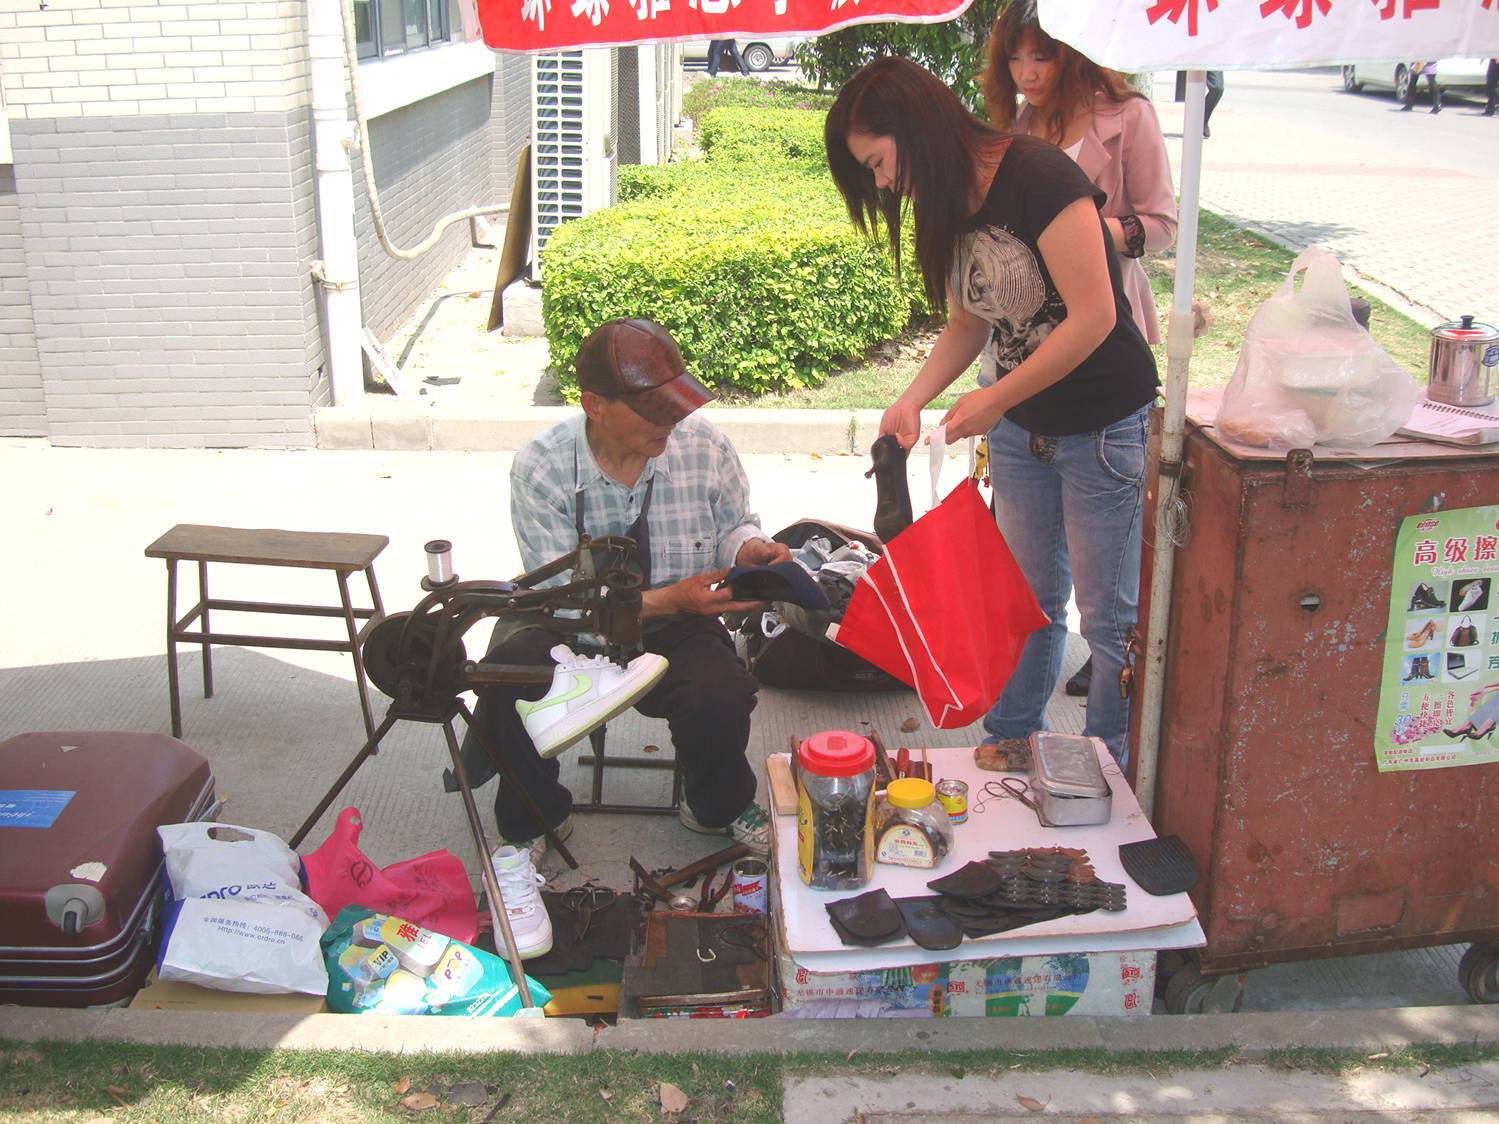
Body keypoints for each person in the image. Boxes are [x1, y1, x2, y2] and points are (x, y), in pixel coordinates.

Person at [824, 56, 1158, 768]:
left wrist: (995, 397)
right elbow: (969, 325)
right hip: (1021, 433)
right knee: (1023, 601)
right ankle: (1011, 737)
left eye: (880, 163)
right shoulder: (948, 200)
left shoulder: (1040, 177)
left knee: (1109, 618)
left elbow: (1094, 317)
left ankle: (1107, 765)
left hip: (1102, 424)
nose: (884, 184)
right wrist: (913, 399)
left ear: (915, 129)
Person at [467, 317, 788, 871]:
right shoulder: (540, 467)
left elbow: (735, 524)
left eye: (675, 405)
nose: (672, 423)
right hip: (567, 622)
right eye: (651, 411)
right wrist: (673, 599)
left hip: (676, 621)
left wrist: (751, 548)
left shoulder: (703, 445)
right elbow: (560, 595)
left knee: (721, 689)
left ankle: (716, 804)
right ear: (594, 405)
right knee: (505, 678)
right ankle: (534, 817)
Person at [979, 0, 1177, 708]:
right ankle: (1015, 732)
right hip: (1028, 360)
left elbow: (1162, 224)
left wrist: (1084, 230)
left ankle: (1110, 737)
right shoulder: (1019, 125)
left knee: (1108, 602)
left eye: (1042, 57)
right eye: (1015, 59)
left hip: (1103, 342)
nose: (1028, 74)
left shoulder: (1126, 115)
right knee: (1030, 586)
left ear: (1074, 52)